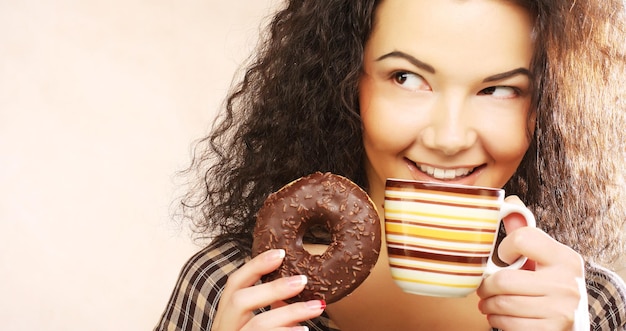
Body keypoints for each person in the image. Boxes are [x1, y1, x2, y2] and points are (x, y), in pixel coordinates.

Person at [154, 0, 626, 330]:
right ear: (346, 83)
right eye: (407, 78)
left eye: (499, 89)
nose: (449, 138)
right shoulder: (231, 289)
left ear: (547, 107)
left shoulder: (592, 306)